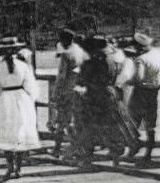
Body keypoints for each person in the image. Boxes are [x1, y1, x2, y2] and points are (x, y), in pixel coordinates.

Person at [74, 35, 139, 168]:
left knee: (89, 126)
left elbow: (83, 78)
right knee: (114, 126)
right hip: (110, 94)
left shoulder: (93, 59)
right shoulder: (113, 58)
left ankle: (87, 159)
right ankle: (116, 160)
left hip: (94, 96)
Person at [0, 37, 41, 179]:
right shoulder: (23, 66)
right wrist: (30, 100)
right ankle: (19, 168)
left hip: (5, 100)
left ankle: (10, 167)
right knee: (19, 133)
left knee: (7, 134)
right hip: (21, 99)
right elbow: (31, 86)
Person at [49, 29, 87, 158]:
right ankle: (58, 148)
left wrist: (55, 93)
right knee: (72, 120)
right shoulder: (80, 52)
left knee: (63, 120)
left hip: (67, 91)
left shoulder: (66, 55)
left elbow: (62, 77)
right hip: (79, 89)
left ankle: (73, 147)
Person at [127, 33, 160, 164]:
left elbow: (138, 78)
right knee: (150, 124)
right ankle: (148, 154)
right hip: (154, 92)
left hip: (141, 92)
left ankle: (133, 147)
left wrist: (129, 81)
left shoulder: (141, 59)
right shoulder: (157, 54)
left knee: (132, 120)